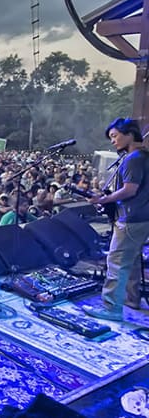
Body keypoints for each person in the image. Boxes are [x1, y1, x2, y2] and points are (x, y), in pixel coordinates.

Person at [83, 118, 149, 321]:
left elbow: (130, 189)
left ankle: (111, 308)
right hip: (143, 217)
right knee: (131, 260)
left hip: (130, 217)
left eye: (115, 136)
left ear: (129, 133)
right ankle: (131, 299)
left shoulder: (133, 158)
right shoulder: (145, 156)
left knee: (117, 262)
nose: (113, 141)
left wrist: (104, 198)